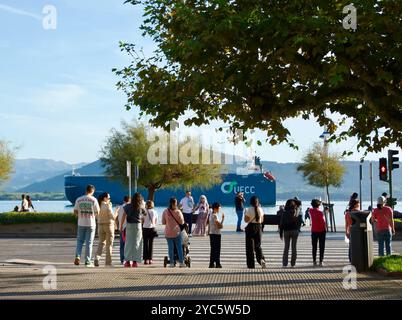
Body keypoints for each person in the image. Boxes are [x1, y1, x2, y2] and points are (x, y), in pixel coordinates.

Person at [73, 185, 100, 267]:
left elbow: (75, 211)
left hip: (81, 223)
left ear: (86, 190)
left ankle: (77, 256)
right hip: (91, 223)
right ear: (92, 191)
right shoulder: (94, 200)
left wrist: (80, 215)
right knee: (89, 242)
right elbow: (98, 212)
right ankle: (87, 261)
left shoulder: (79, 199)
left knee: (80, 241)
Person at [120, 192, 145, 268]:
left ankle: (127, 261)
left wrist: (121, 226)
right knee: (137, 243)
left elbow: (124, 215)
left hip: (129, 225)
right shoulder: (140, 207)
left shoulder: (128, 206)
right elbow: (144, 216)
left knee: (128, 243)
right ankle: (135, 262)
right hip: (138, 225)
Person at [94, 193, 117, 267]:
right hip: (109, 225)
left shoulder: (98, 205)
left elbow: (96, 216)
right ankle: (108, 262)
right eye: (109, 198)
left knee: (101, 243)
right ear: (105, 198)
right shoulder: (107, 205)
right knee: (109, 245)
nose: (109, 199)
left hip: (100, 226)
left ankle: (97, 258)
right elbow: (113, 217)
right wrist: (116, 211)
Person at [162, 197, 186, 268]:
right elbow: (182, 222)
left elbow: (163, 222)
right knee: (179, 248)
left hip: (168, 232)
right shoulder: (178, 212)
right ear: (175, 203)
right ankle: (181, 262)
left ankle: (172, 263)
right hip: (177, 232)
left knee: (170, 248)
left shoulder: (165, 211)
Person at [244, 196, 266, 269]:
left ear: (250, 202)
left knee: (250, 248)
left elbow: (246, 220)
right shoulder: (260, 209)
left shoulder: (248, 209)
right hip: (258, 227)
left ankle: (251, 265)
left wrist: (245, 214)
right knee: (258, 246)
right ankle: (261, 260)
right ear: (258, 202)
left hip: (250, 228)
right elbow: (262, 220)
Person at [279, 199, 300, 268]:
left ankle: (285, 264)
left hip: (286, 231)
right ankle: (293, 264)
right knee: (294, 247)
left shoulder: (284, 212)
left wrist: (281, 233)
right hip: (295, 231)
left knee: (286, 248)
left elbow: (281, 224)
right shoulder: (297, 211)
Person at [309, 199, 327, 267]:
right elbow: (323, 222)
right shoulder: (320, 213)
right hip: (321, 231)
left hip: (314, 231)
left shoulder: (310, 211)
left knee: (314, 246)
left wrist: (319, 203)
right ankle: (321, 261)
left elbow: (313, 208)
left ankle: (314, 261)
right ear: (318, 205)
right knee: (321, 246)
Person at [208, 202, 224, 268]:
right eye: (219, 208)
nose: (220, 209)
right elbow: (219, 226)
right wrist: (223, 220)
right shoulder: (214, 215)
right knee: (217, 249)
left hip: (212, 233)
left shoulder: (211, 214)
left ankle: (211, 263)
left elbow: (209, 224)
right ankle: (217, 263)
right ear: (216, 208)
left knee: (213, 249)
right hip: (216, 234)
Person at [142, 200, 158, 265]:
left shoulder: (144, 212)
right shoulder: (155, 212)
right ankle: (150, 259)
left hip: (145, 228)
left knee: (145, 244)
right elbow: (156, 220)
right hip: (152, 228)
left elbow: (142, 220)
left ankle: (145, 260)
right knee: (151, 244)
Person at [117, 196, 131, 264]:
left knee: (122, 244)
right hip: (128, 226)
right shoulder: (130, 207)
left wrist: (118, 226)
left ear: (123, 200)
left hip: (121, 227)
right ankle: (127, 259)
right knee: (128, 243)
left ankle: (122, 259)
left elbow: (117, 218)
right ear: (130, 200)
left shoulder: (120, 207)